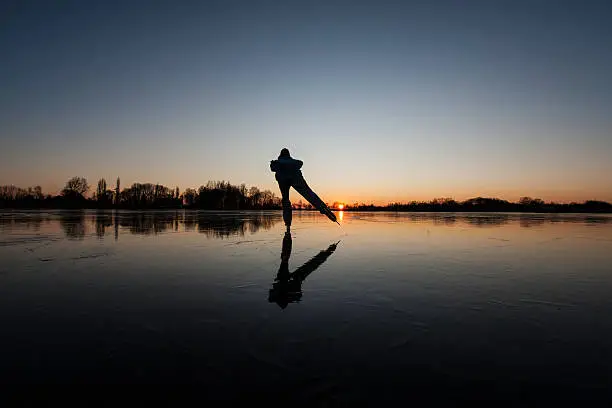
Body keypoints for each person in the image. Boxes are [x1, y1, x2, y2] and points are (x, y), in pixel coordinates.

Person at [270, 148, 337, 231]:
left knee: (285, 200)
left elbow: (273, 168)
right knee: (309, 194)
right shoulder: (291, 162)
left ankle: (287, 224)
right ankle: (325, 210)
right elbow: (300, 163)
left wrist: (279, 164)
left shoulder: (278, 163)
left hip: (283, 179)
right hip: (295, 177)